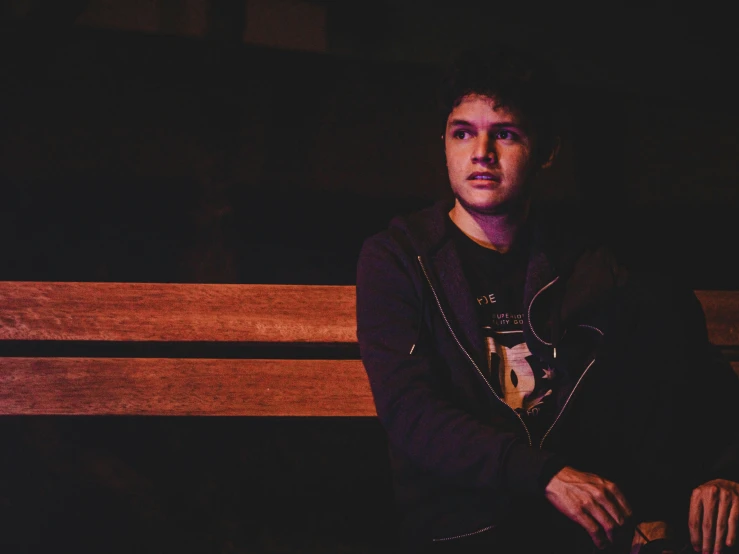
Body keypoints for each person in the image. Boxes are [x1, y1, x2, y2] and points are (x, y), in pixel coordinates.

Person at [355, 43, 739, 554]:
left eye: (506, 134)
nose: (481, 154)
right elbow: (411, 413)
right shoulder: (401, 259)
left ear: (547, 151)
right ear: (444, 142)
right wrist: (544, 473)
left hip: (576, 527)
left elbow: (687, 367)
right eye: (463, 132)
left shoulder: (585, 264)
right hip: (463, 525)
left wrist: (724, 473)